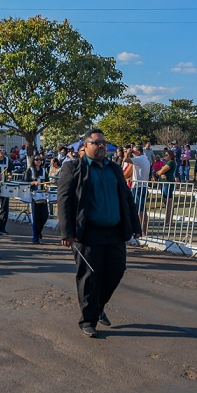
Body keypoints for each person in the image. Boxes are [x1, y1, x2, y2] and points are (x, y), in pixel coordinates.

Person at [57, 128, 141, 338]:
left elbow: (126, 198)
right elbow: (64, 199)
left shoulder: (113, 168)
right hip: (88, 233)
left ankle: (98, 306)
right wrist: (67, 232)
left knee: (117, 270)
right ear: (84, 146)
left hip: (114, 230)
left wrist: (135, 225)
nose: (102, 146)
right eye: (96, 143)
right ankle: (88, 320)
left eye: (103, 142)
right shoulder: (73, 167)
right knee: (89, 277)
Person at [123, 145, 151, 235]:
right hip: (143, 186)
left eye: (133, 152)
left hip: (138, 187)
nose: (132, 154)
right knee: (143, 209)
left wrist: (127, 153)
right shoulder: (145, 159)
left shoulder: (139, 159)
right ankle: (144, 230)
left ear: (138, 152)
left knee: (139, 209)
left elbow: (126, 160)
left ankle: (140, 230)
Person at [24, 156, 50, 243]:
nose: (39, 161)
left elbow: (47, 180)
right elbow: (25, 182)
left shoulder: (43, 170)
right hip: (33, 195)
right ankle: (35, 238)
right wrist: (33, 183)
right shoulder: (30, 170)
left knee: (45, 216)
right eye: (37, 159)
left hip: (42, 195)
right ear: (33, 161)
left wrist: (47, 185)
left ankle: (39, 231)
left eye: (40, 159)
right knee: (35, 217)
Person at [154, 150, 177, 226]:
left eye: (166, 155)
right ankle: (167, 220)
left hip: (168, 183)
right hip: (163, 183)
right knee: (165, 201)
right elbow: (158, 172)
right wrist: (159, 173)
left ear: (170, 156)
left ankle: (169, 221)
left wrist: (159, 173)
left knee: (168, 201)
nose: (165, 156)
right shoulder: (166, 163)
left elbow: (159, 172)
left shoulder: (171, 163)